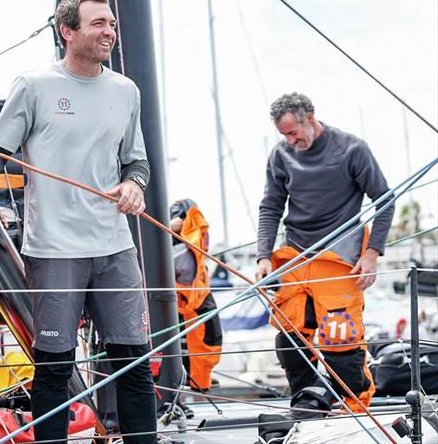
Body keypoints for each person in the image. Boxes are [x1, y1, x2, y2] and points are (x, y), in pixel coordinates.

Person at [0, 0, 157, 443]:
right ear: (67, 31)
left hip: (114, 247)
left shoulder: (125, 90)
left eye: (110, 23)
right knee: (54, 367)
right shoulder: (34, 86)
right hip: (54, 250)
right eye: (97, 24)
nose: (108, 32)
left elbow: (137, 162)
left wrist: (134, 185)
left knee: (133, 360)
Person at [255, 92, 394, 412]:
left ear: (310, 117)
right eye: (284, 135)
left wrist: (371, 254)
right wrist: (263, 255)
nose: (290, 141)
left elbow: (385, 200)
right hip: (295, 257)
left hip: (339, 262)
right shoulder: (281, 155)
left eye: (293, 132)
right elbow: (270, 206)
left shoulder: (352, 149)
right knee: (289, 341)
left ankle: (354, 407)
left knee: (341, 345)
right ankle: (306, 405)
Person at [169, 199, 223, 393]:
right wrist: (167, 228)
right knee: (180, 345)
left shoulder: (190, 236)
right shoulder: (174, 242)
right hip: (180, 299)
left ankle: (199, 380)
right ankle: (190, 381)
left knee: (211, 339)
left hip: (195, 297)